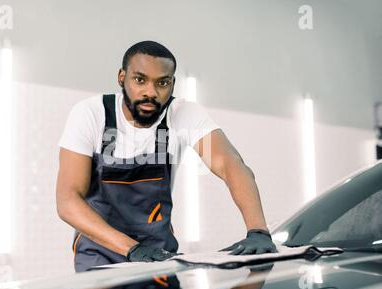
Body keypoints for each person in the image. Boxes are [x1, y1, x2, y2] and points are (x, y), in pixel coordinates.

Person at [56, 40, 276, 273]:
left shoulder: (182, 114)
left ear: (172, 84)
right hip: (99, 254)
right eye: (140, 80)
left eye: (162, 83)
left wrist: (258, 230)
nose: (150, 92)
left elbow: (230, 163)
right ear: (122, 77)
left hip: (158, 254)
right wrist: (132, 249)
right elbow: (68, 201)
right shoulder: (92, 114)